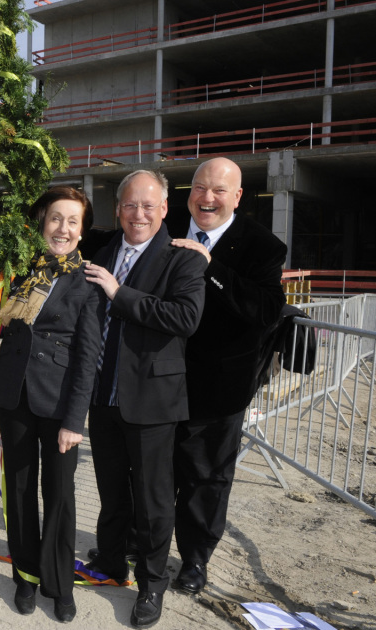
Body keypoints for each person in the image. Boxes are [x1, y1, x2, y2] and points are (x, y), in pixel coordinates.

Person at [82, 170, 207, 628]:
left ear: (164, 210)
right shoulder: (103, 250)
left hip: (153, 400)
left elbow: (185, 317)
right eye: (131, 205)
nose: (139, 214)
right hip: (103, 395)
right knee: (112, 491)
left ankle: (152, 582)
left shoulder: (184, 259)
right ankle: (111, 561)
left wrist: (119, 293)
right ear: (118, 209)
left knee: (154, 501)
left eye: (149, 206)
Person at [0, 186, 105, 623]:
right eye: (56, 218)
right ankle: (26, 576)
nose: (63, 228)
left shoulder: (87, 280)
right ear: (42, 222)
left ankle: (59, 583)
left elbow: (88, 355)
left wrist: (76, 419)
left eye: (73, 221)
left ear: (82, 231)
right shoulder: (18, 269)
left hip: (58, 404)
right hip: (14, 396)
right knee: (18, 490)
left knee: (59, 495)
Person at [169, 158, 287, 595]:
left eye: (219, 190)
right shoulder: (166, 223)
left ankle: (195, 559)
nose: (207, 198)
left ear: (237, 197)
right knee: (151, 470)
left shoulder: (262, 246)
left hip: (219, 387)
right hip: (159, 378)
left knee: (207, 478)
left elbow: (265, 310)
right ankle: (142, 543)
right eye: (199, 187)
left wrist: (209, 266)